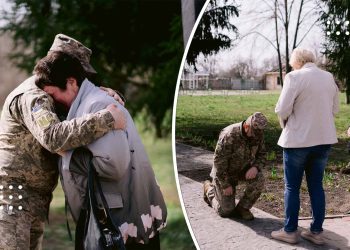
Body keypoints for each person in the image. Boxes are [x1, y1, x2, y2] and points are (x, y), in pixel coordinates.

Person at [0, 34, 125, 250]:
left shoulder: (49, 94)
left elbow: (73, 113)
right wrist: (107, 118)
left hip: (31, 198)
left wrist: (106, 93)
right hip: (15, 197)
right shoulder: (34, 97)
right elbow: (53, 137)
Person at [34, 50, 167, 249]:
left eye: (53, 94)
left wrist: (65, 152)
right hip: (109, 221)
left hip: (118, 227)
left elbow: (113, 165)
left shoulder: (98, 104)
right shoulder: (85, 104)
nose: (52, 101)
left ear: (71, 82)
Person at [271, 48, 339, 245]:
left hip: (298, 141)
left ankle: (290, 231)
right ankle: (316, 232)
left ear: (296, 62)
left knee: (292, 186)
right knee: (316, 186)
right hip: (324, 140)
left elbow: (282, 109)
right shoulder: (328, 77)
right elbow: (334, 110)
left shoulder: (294, 77)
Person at [203, 112, 267, 220]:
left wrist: (255, 167)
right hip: (224, 174)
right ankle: (209, 189)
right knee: (225, 211)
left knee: (259, 179)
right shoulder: (229, 134)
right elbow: (219, 162)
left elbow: (262, 154)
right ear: (247, 126)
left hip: (243, 170)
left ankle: (243, 208)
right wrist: (225, 184)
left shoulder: (258, 133)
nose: (257, 136)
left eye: (259, 133)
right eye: (254, 133)